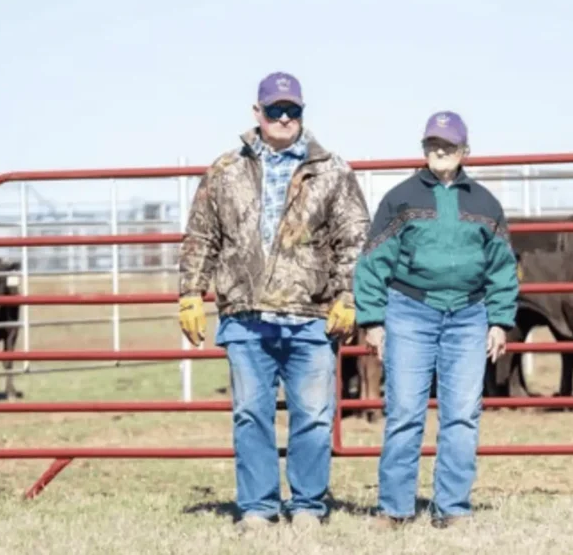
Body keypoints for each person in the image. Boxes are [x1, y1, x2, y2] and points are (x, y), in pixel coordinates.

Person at [177, 71, 370, 533]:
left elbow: (356, 239)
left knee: (314, 417)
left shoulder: (333, 171)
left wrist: (348, 294)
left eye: (293, 110)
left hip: (311, 316)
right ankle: (258, 508)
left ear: (303, 112)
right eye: (275, 110)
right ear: (257, 113)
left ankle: (306, 506)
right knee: (250, 415)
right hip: (246, 315)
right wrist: (190, 292)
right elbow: (202, 235)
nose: (284, 118)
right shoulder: (225, 170)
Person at [352, 110, 520, 529]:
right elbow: (374, 260)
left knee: (462, 413)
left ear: (465, 151)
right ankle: (394, 508)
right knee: (405, 410)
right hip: (410, 309)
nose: (440, 152)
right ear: (423, 148)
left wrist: (498, 320)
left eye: (448, 146)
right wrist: (373, 319)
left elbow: (502, 266)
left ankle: (453, 506)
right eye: (433, 145)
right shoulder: (401, 198)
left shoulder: (485, 203)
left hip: (468, 314)